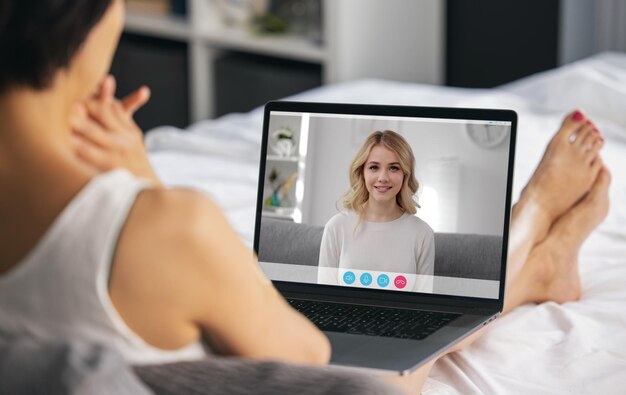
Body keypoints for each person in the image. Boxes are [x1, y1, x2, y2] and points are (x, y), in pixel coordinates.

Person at [0, 1, 610, 393]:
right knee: (389, 367)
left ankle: (534, 275)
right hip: (287, 359)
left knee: (431, 308)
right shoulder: (168, 229)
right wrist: (144, 193)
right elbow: (314, 360)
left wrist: (133, 182)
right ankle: (527, 223)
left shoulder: (153, 232)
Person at [317, 130, 434, 289]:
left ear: (405, 174)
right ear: (362, 172)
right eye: (374, 167)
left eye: (393, 168)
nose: (383, 177)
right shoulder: (336, 227)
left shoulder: (422, 233)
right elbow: (325, 298)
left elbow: (423, 304)